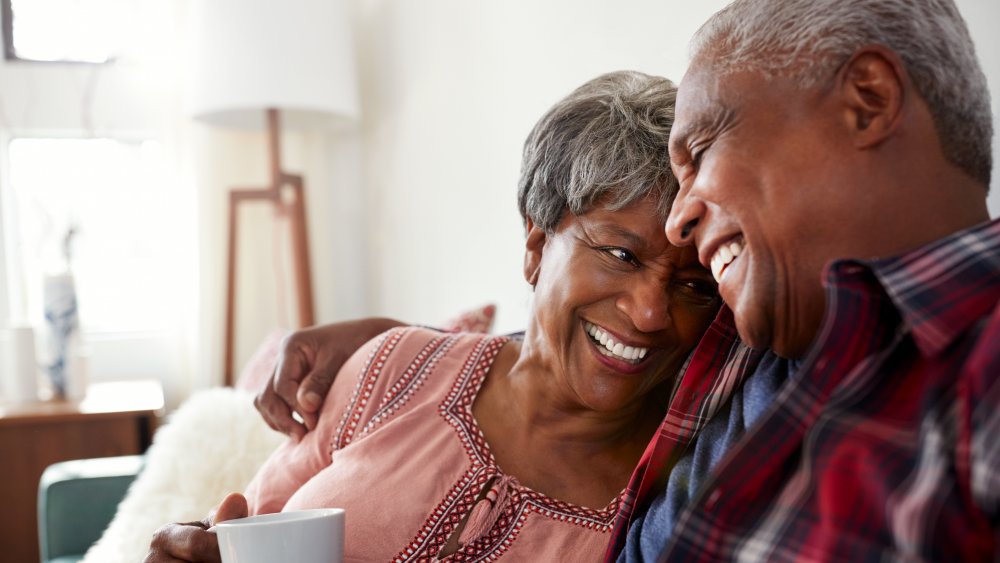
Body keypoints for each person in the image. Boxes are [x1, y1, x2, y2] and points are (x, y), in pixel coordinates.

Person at [258, 0, 1000, 561]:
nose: (681, 220)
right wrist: (385, 344)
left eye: (701, 149)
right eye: (622, 252)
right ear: (534, 242)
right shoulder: (767, 345)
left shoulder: (971, 372)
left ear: (866, 101)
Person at [144, 70, 724, 562]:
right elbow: (248, 526)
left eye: (694, 285)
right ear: (536, 243)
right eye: (621, 255)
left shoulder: (676, 497)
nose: (651, 312)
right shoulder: (393, 366)